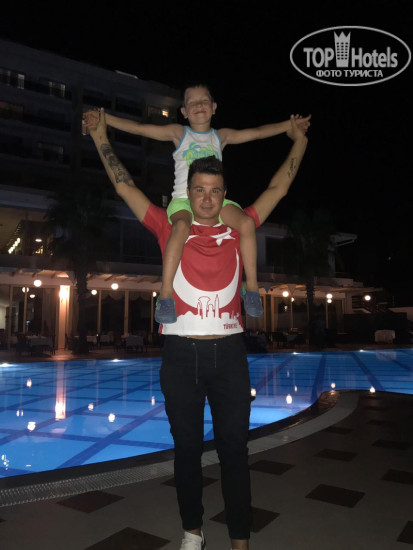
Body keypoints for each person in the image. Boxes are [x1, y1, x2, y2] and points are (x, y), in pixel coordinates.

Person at [88, 110, 309, 550]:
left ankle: (240, 540)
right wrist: (99, 136)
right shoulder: (168, 225)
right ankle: (192, 532)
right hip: (180, 356)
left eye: (215, 191)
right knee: (186, 451)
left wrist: (299, 139)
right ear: (187, 194)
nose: (207, 199)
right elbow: (123, 185)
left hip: (229, 355)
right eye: (199, 191)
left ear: (225, 194)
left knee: (234, 451)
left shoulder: (240, 225)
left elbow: (279, 187)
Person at [83, 84, 310, 325]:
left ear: (214, 107)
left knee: (245, 223)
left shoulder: (221, 136)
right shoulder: (178, 133)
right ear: (183, 111)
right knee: (180, 227)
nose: (199, 105)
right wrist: (105, 121)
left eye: (204, 101)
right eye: (192, 102)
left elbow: (257, 132)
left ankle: (251, 289)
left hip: (218, 201)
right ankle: (166, 295)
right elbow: (140, 128)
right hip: (182, 199)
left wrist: (290, 127)